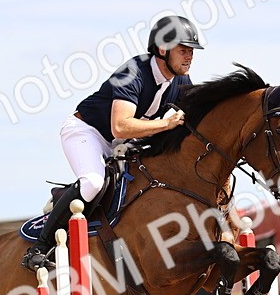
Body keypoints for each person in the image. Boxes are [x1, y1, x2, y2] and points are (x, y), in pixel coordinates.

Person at [21, 15, 205, 271]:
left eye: (191, 51)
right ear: (163, 49)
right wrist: (166, 124)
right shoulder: (135, 72)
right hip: (86, 132)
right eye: (183, 50)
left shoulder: (181, 82)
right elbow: (120, 125)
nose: (190, 57)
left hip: (121, 144)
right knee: (94, 182)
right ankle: (38, 249)